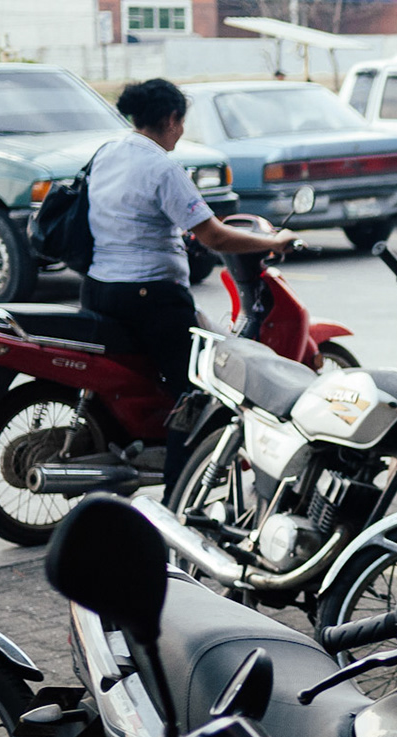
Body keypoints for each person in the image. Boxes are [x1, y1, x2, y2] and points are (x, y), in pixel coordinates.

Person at [81, 79, 294, 474]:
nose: (181, 131)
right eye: (181, 122)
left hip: (99, 290)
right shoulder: (163, 167)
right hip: (150, 299)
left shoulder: (108, 152)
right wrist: (274, 242)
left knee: (143, 379)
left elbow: (127, 215)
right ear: (171, 118)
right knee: (195, 388)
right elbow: (213, 234)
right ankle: (177, 489)